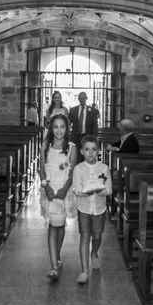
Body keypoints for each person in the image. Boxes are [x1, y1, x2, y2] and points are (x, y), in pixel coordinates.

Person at [40, 114, 76, 281]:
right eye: (56, 127)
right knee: (52, 227)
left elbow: (71, 171)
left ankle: (57, 256)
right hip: (50, 190)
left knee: (60, 226)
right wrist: (46, 187)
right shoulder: (46, 146)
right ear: (51, 128)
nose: (59, 130)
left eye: (62, 127)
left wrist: (64, 189)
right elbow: (41, 170)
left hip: (63, 191)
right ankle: (54, 266)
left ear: (67, 128)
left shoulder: (71, 147)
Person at [71, 134, 112, 285]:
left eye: (94, 149)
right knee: (84, 236)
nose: (90, 153)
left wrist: (100, 190)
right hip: (84, 208)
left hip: (99, 209)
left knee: (97, 236)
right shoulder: (78, 169)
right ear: (82, 151)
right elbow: (75, 188)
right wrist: (85, 191)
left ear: (98, 151)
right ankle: (84, 271)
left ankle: (94, 252)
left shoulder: (104, 168)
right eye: (87, 149)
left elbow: (109, 189)